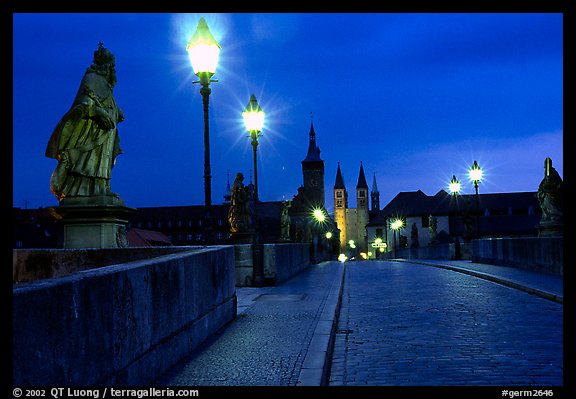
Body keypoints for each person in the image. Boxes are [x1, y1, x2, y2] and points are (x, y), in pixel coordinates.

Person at [46, 43, 124, 201]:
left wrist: (116, 112)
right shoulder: (92, 78)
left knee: (103, 161)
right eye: (111, 65)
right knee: (87, 161)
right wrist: (100, 112)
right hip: (92, 130)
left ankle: (101, 188)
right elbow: (84, 103)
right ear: (105, 65)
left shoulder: (106, 84)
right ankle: (84, 190)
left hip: (106, 132)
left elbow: (109, 102)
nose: (113, 69)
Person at [537, 157, 563, 223]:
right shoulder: (548, 172)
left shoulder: (553, 172)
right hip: (548, 191)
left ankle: (554, 215)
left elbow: (556, 183)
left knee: (548, 199)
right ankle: (548, 215)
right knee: (545, 198)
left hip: (552, 192)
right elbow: (545, 181)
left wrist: (549, 186)